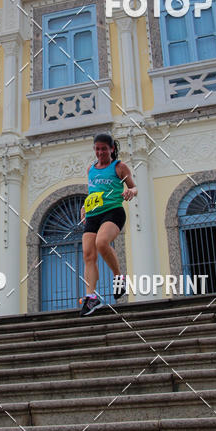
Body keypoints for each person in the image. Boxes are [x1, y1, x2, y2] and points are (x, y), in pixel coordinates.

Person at [79, 133, 137, 316]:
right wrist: (84, 206)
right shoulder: (91, 169)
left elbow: (133, 187)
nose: (100, 152)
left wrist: (131, 192)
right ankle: (91, 298)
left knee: (102, 243)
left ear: (112, 148)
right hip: (93, 214)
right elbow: (93, 191)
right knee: (88, 254)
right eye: (97, 149)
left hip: (113, 211)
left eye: (104, 148)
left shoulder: (119, 167)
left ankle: (118, 276)